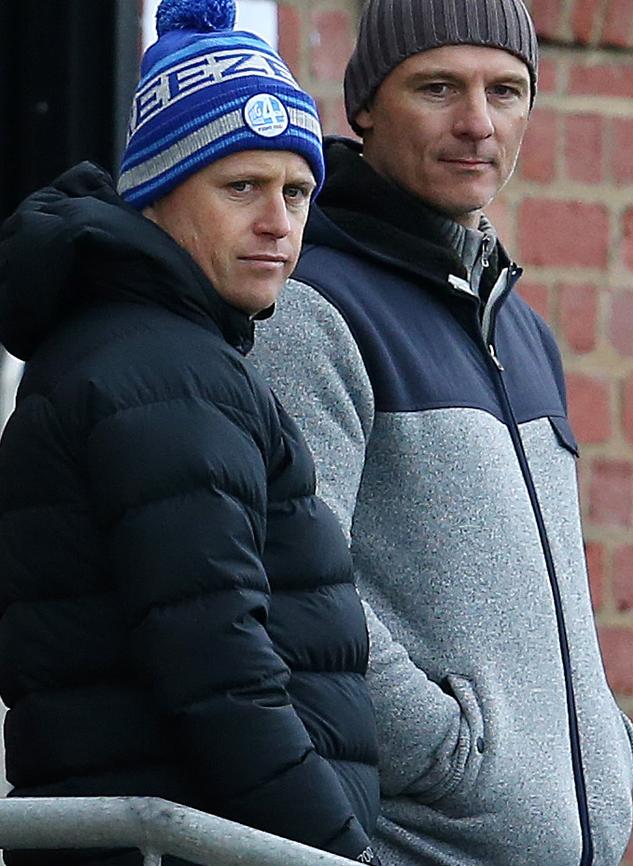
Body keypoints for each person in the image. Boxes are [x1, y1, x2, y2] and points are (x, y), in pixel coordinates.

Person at [249, 1, 633, 864]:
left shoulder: (523, 329)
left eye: (506, 91)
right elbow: (287, 580)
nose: (477, 123)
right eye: (438, 88)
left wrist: (606, 746)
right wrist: (450, 754)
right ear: (364, 107)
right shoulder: (312, 308)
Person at [0, 1, 381, 864]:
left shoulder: (157, 352)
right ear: (159, 193)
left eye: (297, 192)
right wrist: (337, 853)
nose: (279, 222)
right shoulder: (164, 374)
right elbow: (220, 673)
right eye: (240, 186)